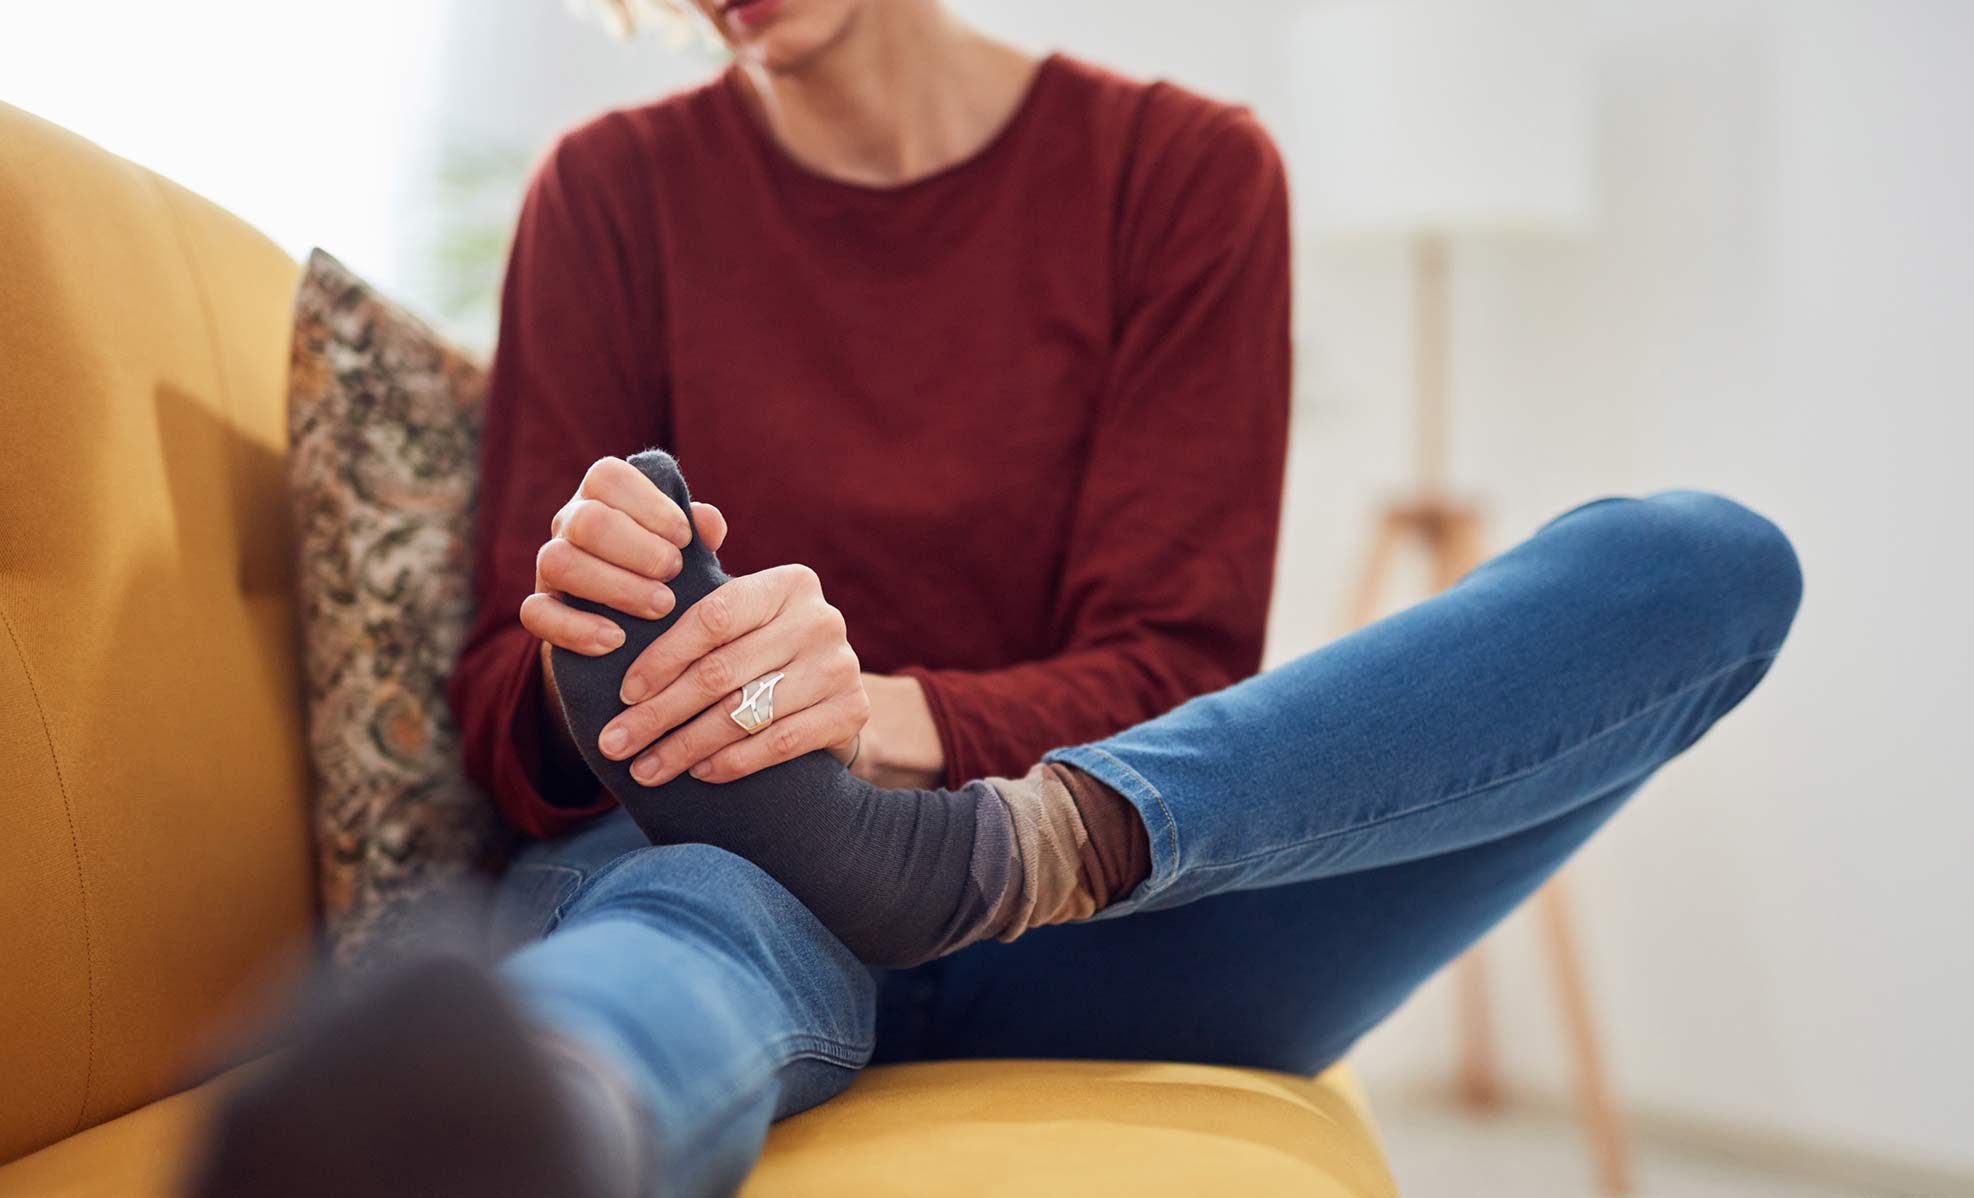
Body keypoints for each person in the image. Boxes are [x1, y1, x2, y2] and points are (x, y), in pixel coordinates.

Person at [186, 2, 1805, 1196]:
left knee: (1702, 565)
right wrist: (598, 654)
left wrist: (865, 722)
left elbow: (1173, 667)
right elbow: (500, 711)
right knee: (672, 934)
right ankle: (522, 1124)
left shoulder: (1181, 176)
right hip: (728, 875)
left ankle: (964, 855)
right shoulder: (608, 193)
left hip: (1098, 887)